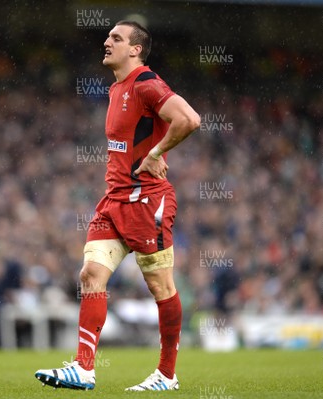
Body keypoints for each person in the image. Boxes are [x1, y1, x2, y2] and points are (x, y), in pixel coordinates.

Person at [35, 20, 200, 391]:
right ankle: (83, 368)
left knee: (161, 287)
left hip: (146, 201)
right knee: (90, 276)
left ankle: (166, 375)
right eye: (108, 36)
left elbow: (189, 119)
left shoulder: (146, 83)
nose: (106, 42)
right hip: (113, 201)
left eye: (116, 38)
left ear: (135, 49)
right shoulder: (116, 89)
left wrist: (157, 151)